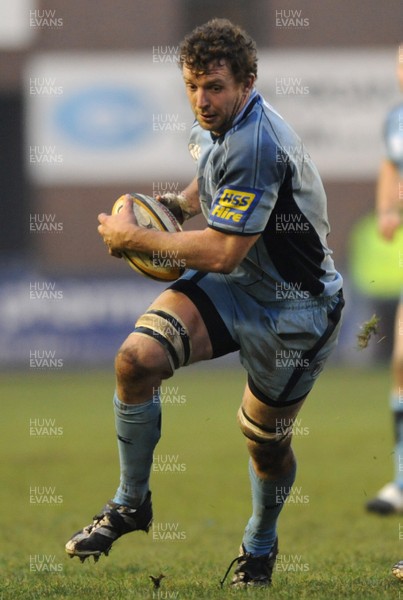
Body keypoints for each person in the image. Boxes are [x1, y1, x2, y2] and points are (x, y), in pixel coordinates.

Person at [65, 18, 344, 587]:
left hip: (297, 313)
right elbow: (208, 177)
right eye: (192, 86)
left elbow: (220, 253)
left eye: (214, 87)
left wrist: (135, 238)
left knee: (265, 446)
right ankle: (129, 503)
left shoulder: (258, 143)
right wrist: (174, 205)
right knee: (136, 360)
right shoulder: (217, 129)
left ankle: (260, 545)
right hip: (238, 289)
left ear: (247, 82)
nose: (201, 100)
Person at [366, 45, 403, 515]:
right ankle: (400, 480)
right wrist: (386, 207)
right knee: (401, 360)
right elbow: (390, 162)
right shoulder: (396, 118)